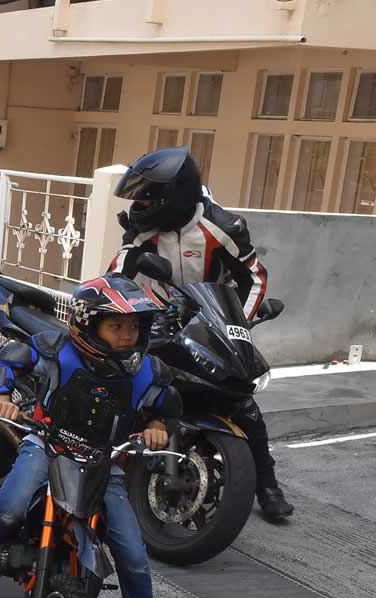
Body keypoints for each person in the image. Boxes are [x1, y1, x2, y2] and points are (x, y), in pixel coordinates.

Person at [0, 273, 179, 598]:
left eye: (132, 326)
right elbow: (12, 357)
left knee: (134, 556)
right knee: (11, 506)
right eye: (115, 325)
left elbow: (166, 405)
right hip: (48, 444)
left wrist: (158, 427)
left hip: (107, 463)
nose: (126, 335)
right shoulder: (56, 348)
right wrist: (1, 395)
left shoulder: (146, 370)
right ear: (88, 324)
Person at [109, 146, 293, 522]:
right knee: (128, 380)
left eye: (149, 194)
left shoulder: (222, 227)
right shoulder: (146, 228)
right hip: (159, 317)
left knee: (241, 402)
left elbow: (254, 277)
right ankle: (108, 460)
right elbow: (118, 272)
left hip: (211, 319)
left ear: (173, 194)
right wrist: (124, 269)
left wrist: (238, 321)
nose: (142, 202)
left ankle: (267, 483)